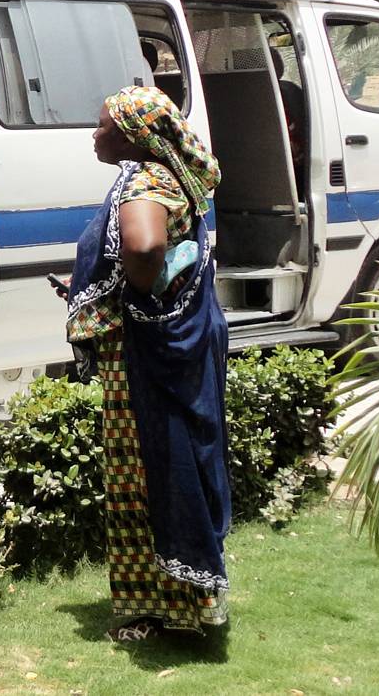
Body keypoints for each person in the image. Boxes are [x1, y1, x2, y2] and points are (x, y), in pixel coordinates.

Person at [62, 86, 230, 642]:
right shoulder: (173, 175)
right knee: (176, 463)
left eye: (103, 126)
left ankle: (160, 611)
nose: (95, 134)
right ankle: (188, 603)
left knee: (145, 473)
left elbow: (142, 246)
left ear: (134, 136)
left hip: (146, 356)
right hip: (184, 343)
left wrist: (132, 295)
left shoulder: (146, 183)